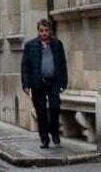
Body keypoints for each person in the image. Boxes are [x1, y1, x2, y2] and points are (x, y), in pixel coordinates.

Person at [21, 18, 69, 149]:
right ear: (38, 31)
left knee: (55, 107)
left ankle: (54, 131)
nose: (44, 33)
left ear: (50, 31)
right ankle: (44, 139)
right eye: (41, 31)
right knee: (41, 112)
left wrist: (64, 83)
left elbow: (63, 64)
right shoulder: (30, 46)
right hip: (37, 83)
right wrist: (25, 84)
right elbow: (25, 66)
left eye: (46, 30)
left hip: (53, 81)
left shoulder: (57, 44)